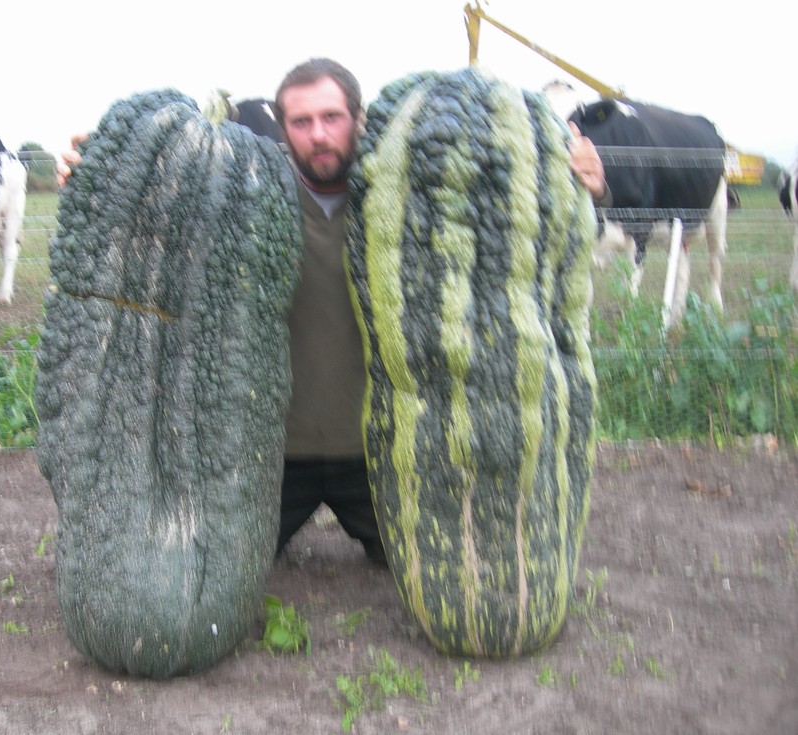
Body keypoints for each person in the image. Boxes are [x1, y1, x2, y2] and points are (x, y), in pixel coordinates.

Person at [56, 58, 609, 568]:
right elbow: (155, 232)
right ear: (282, 128)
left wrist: (589, 185)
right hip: (271, 456)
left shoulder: (414, 196)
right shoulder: (249, 196)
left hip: (379, 453)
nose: (318, 135)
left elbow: (517, 233)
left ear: (358, 119)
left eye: (331, 117)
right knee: (221, 566)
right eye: (301, 122)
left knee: (426, 564)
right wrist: (99, 173)